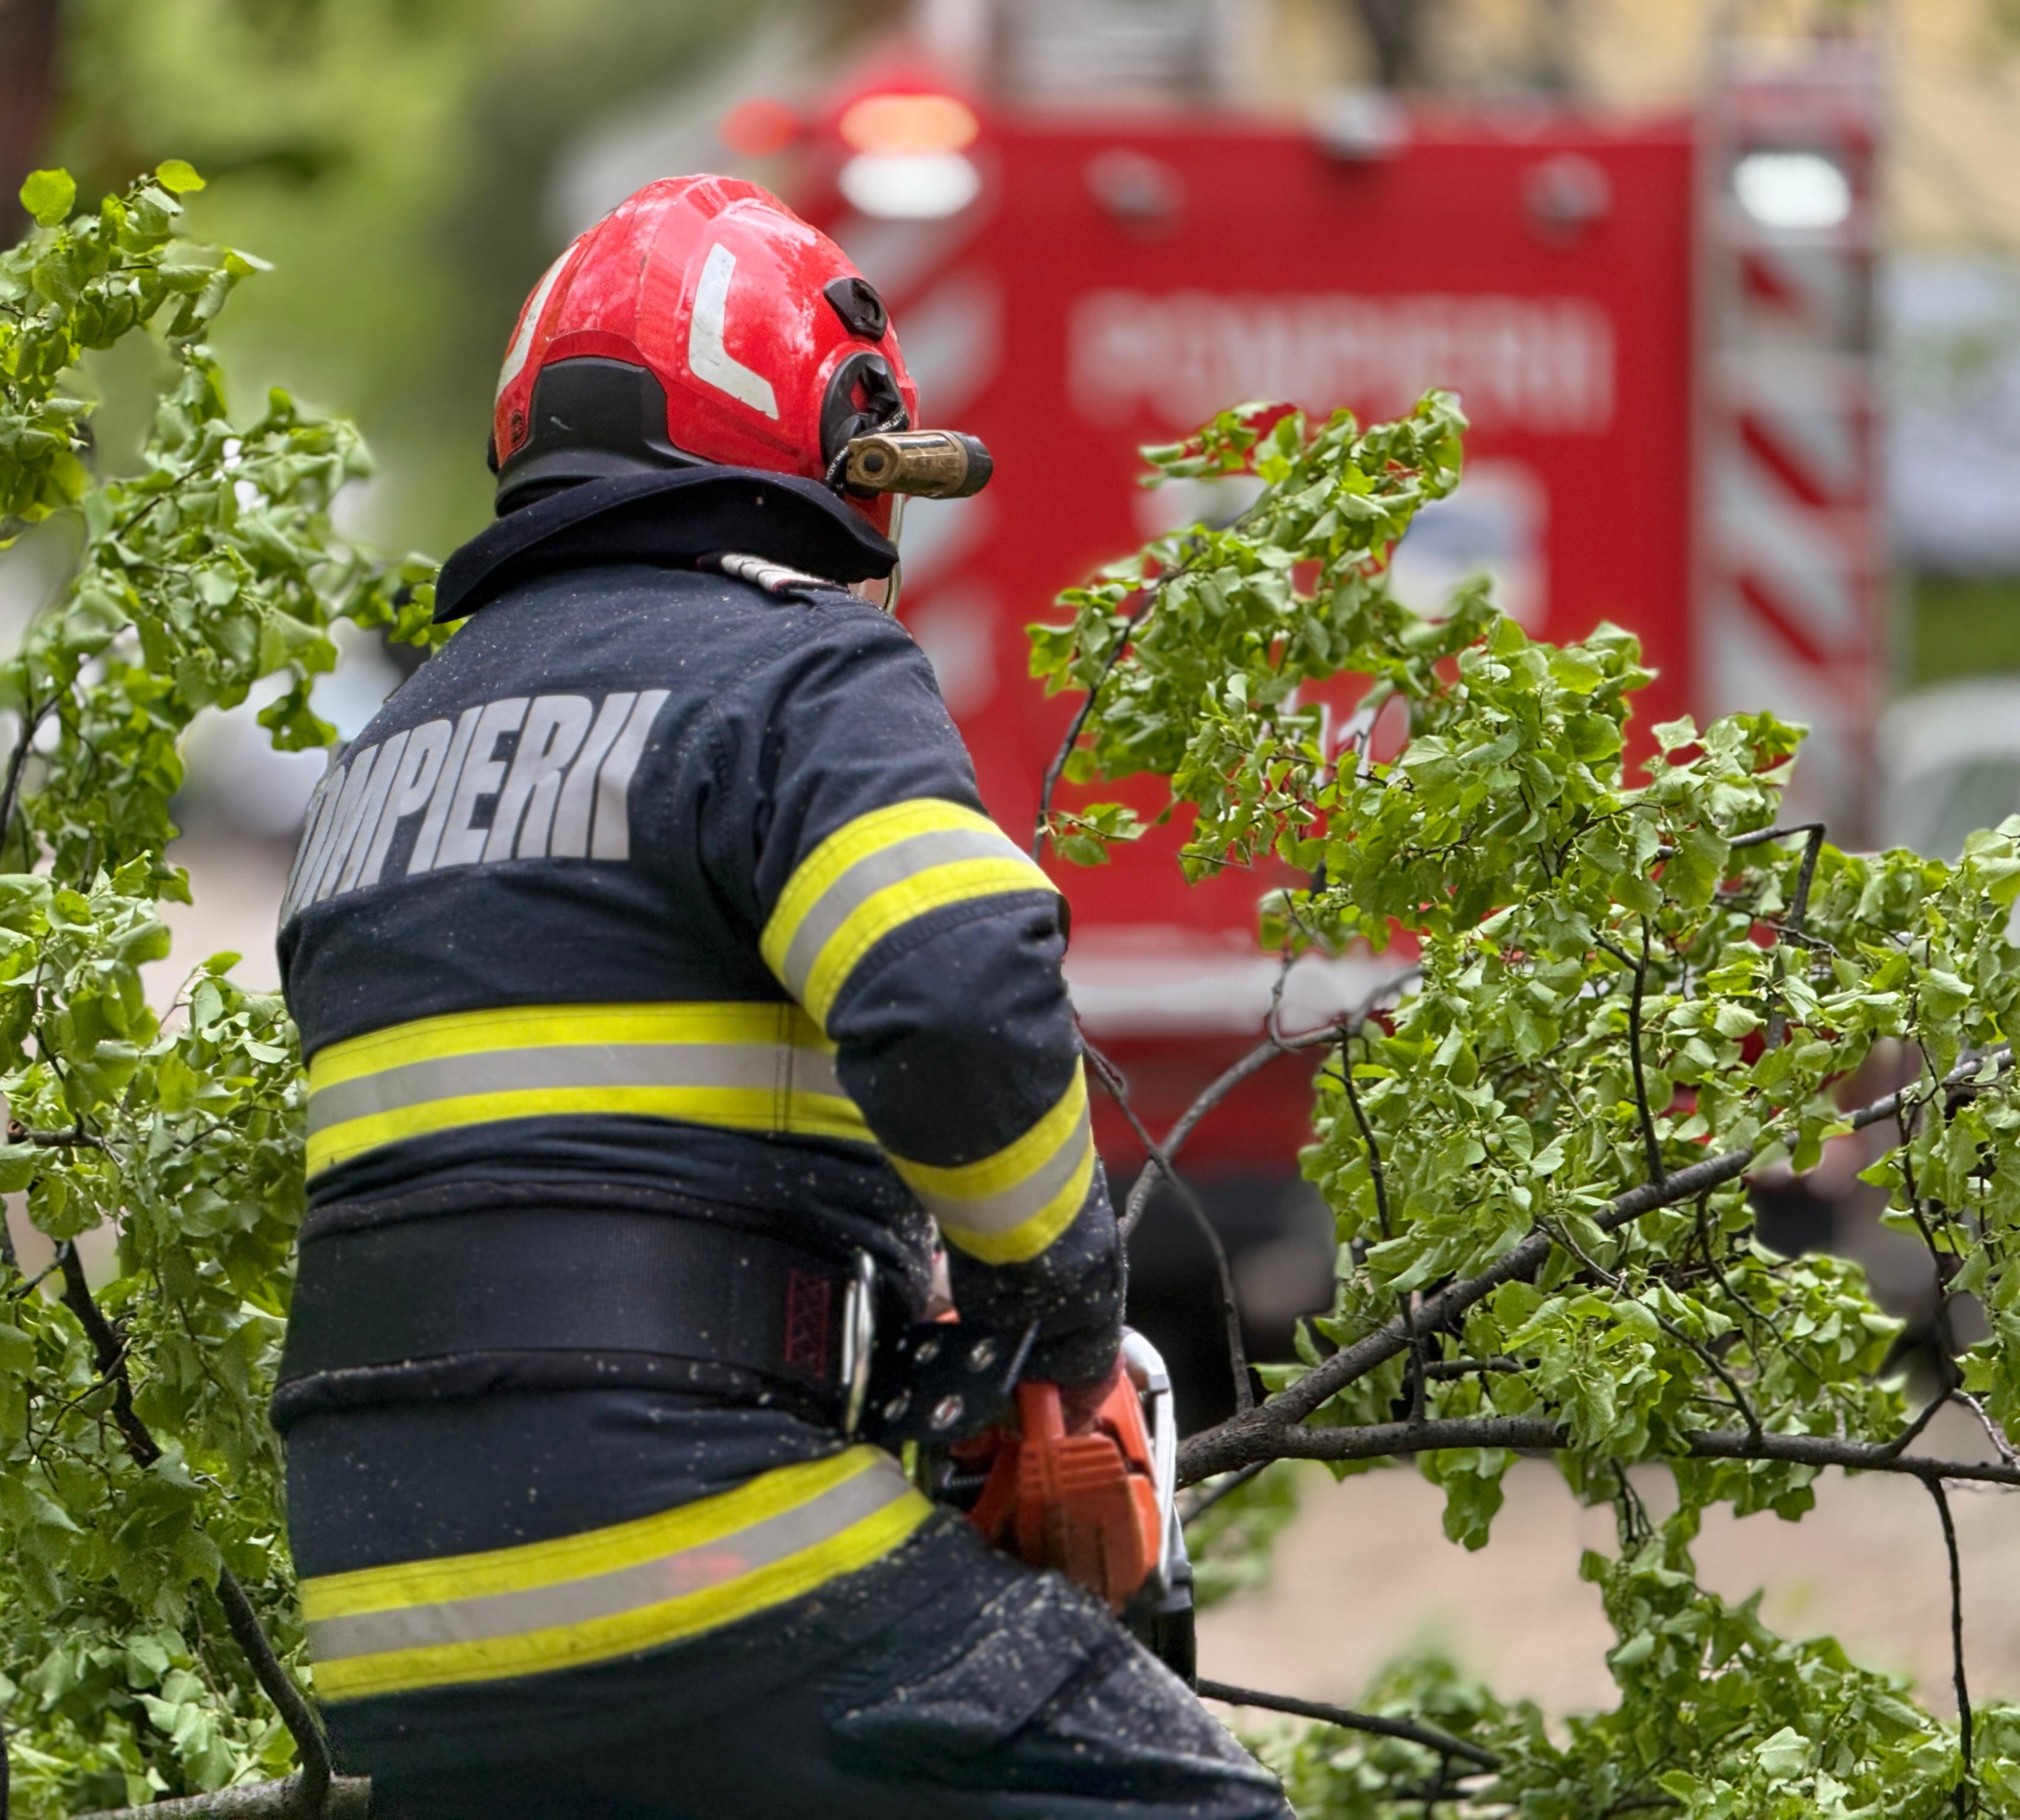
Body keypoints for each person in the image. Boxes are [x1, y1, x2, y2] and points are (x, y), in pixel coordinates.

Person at [270, 172, 1293, 1820]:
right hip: (683, 1557)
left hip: (391, 1624)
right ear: (827, 440)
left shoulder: (384, 759)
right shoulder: (791, 669)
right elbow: (956, 992)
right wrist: (1060, 1295)